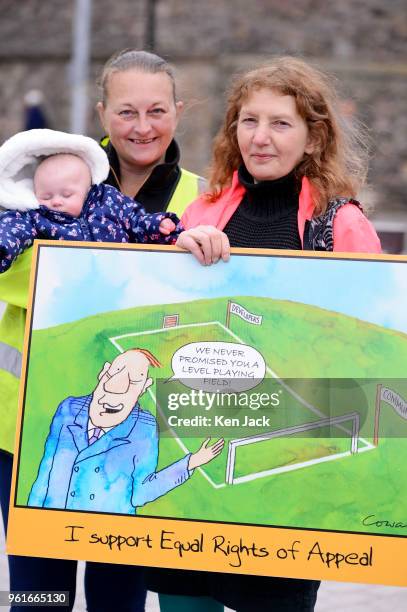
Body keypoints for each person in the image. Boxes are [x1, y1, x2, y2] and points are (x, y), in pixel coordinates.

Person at [0, 48, 223, 612]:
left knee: (118, 594)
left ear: (178, 110)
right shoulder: (33, 187)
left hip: (130, 435)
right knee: (38, 594)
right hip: (23, 422)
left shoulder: (202, 200)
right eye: (126, 112)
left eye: (156, 111)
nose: (142, 127)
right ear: (102, 113)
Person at [157, 56, 382, 611]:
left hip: (287, 471)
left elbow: (372, 340)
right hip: (196, 470)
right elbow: (162, 320)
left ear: (313, 138)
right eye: (248, 121)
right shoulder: (202, 210)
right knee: (185, 603)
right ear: (233, 131)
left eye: (281, 123)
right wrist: (176, 252)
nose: (261, 137)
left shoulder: (341, 223)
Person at [28, 348, 223, 512]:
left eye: (134, 380)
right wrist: (30, 517)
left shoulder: (144, 427)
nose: (117, 385)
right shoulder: (69, 409)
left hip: (108, 537)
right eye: (115, 372)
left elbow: (141, 493)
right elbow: (45, 473)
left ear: (145, 387)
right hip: (53, 528)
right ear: (103, 372)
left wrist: (190, 463)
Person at [0, 129, 180, 273]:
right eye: (46, 196)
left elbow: (135, 221)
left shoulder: (107, 201)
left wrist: (158, 225)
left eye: (66, 194)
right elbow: (11, 228)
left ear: (87, 190)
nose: (56, 201)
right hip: (68, 289)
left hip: (120, 279)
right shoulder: (36, 216)